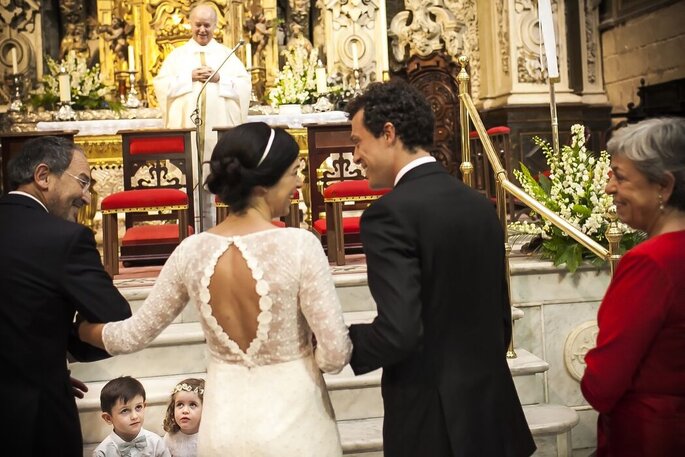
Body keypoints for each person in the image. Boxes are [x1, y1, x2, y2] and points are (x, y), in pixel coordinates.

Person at [79, 122, 352, 456]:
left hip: (224, 428)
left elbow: (130, 336)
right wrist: (311, 356)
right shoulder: (299, 246)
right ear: (264, 182)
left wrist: (78, 329)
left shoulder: (192, 251)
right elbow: (336, 353)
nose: (299, 182)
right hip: (295, 420)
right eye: (294, 172)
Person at [344, 81, 536, 457]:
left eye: (357, 141)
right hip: (492, 411)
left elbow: (400, 331)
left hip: (432, 419)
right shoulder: (479, 204)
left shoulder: (387, 216)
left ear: (388, 134)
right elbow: (500, 318)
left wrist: (342, 343)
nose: (355, 156)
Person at [0, 136, 132, 456]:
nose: (87, 197)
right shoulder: (64, 239)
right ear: (43, 176)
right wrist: (51, 359)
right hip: (34, 419)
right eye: (83, 182)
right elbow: (117, 318)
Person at [581, 117, 685, 457]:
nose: (609, 188)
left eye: (620, 177)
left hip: (652, 436)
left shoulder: (650, 262)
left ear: (664, 187)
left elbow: (603, 384)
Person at [153, 2, 251, 228]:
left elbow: (245, 87)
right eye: (198, 25)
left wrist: (220, 80)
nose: (202, 30)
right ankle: (190, 228)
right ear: (190, 24)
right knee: (191, 177)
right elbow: (161, 86)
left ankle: (223, 227)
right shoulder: (177, 56)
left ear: (216, 26)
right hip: (189, 132)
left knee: (218, 174)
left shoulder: (226, 55)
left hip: (219, 134)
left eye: (207, 25)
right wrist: (189, 77)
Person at [94, 376, 170, 457]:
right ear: (108, 418)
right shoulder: (101, 453)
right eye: (125, 411)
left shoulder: (157, 443)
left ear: (144, 406)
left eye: (138, 407)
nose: (134, 416)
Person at [162, 378, 205, 457]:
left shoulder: (207, 438)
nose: (185, 411)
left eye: (192, 405)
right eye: (180, 404)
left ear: (204, 409)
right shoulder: (170, 437)